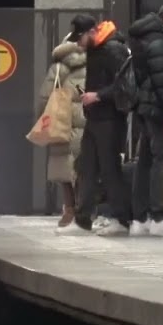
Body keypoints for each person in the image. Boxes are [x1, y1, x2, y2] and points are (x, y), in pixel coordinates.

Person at [61, 17, 133, 237]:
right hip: (95, 117)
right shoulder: (95, 50)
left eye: (80, 38)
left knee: (110, 169)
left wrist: (98, 95)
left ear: (91, 32)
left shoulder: (114, 49)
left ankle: (121, 219)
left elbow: (125, 84)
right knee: (87, 168)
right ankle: (82, 220)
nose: (78, 44)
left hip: (110, 118)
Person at [125, 1, 163, 237]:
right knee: (159, 158)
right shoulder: (160, 41)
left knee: (145, 160)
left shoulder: (146, 36)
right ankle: (158, 215)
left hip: (144, 104)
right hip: (155, 106)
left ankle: (139, 218)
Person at [40, 28, 87, 227]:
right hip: (87, 122)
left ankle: (69, 209)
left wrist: (44, 117)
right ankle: (85, 209)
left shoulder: (58, 67)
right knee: (86, 169)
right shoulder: (94, 63)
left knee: (64, 170)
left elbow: (45, 97)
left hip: (62, 122)